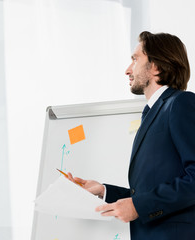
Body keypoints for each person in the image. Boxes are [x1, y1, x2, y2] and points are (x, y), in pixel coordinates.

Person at [67, 31, 195, 239]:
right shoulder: (152, 113)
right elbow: (146, 193)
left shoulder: (180, 103)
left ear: (156, 66)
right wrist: (103, 191)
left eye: (135, 59)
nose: (128, 70)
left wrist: (138, 205)